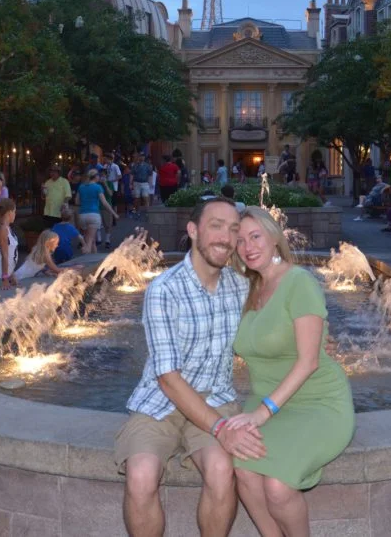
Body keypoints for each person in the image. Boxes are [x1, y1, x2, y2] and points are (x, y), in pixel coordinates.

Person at [115, 197, 264, 537]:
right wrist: (221, 429)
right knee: (140, 476)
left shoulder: (241, 288)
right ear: (193, 230)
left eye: (233, 229)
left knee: (221, 470)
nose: (225, 238)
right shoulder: (164, 289)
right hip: (159, 402)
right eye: (216, 226)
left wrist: (315, 341)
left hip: (215, 396)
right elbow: (167, 378)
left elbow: (275, 327)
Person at [225, 207, 355, 536]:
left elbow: (309, 361)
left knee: (278, 488)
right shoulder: (246, 289)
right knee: (244, 472)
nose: (248, 246)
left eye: (255, 236)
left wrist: (262, 415)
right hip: (263, 398)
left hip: (317, 402)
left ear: (274, 238)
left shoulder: (299, 281)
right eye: (239, 241)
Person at [75, 169, 119, 255]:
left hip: (82, 215)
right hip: (94, 215)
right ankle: (85, 261)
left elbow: (77, 201)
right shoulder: (98, 187)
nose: (99, 177)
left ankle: (94, 260)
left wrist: (85, 201)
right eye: (98, 176)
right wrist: (114, 213)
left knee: (92, 240)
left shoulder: (81, 186)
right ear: (95, 177)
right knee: (90, 242)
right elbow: (104, 203)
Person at [130, 153, 152, 218]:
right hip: (136, 183)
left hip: (145, 183)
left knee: (146, 198)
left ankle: (147, 212)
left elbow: (150, 175)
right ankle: (137, 211)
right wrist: (130, 183)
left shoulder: (148, 166)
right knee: (137, 198)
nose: (142, 157)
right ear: (138, 157)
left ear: (144, 157)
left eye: (143, 156)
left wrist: (150, 183)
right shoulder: (135, 165)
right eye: (140, 156)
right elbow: (132, 174)